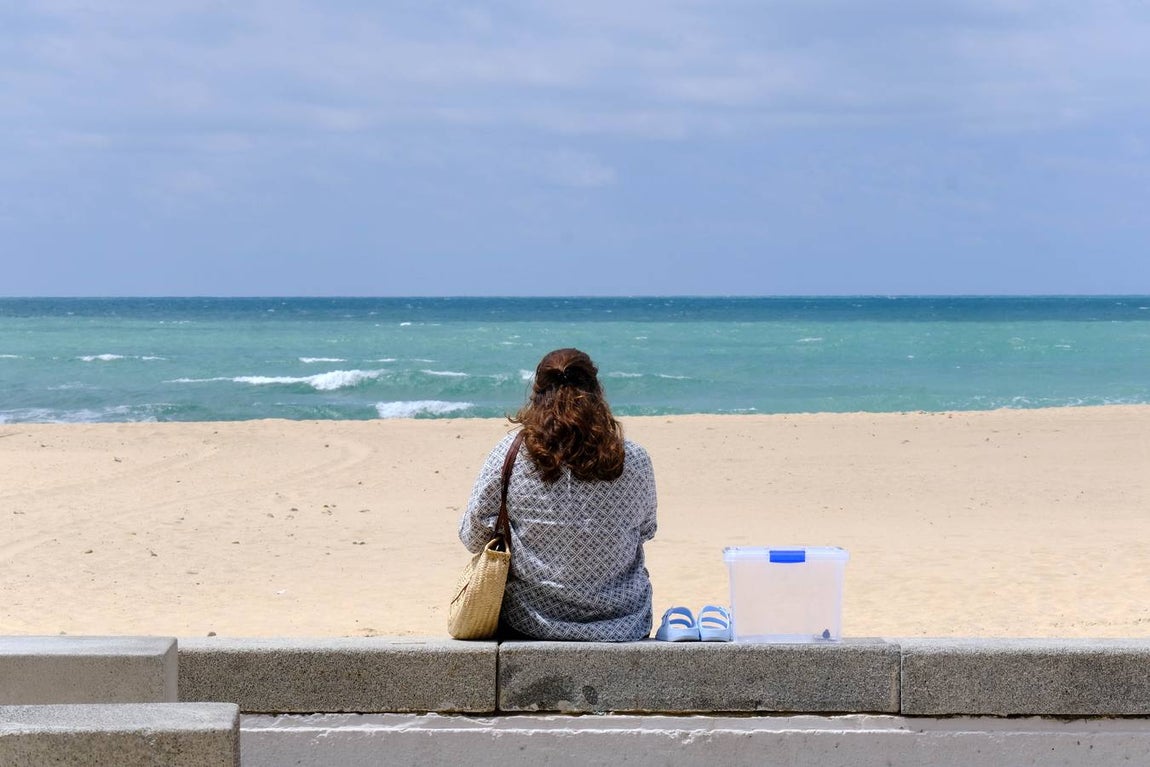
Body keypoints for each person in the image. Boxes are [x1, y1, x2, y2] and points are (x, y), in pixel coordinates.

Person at [459, 348, 658, 641]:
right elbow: (646, 530)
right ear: (596, 391)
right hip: (622, 622)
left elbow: (473, 536)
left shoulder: (510, 455)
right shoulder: (635, 459)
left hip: (529, 622)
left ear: (537, 394)